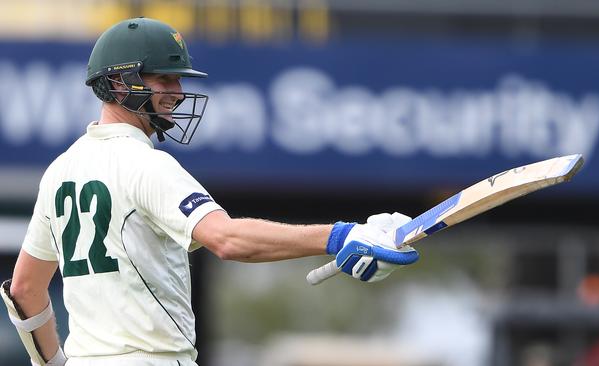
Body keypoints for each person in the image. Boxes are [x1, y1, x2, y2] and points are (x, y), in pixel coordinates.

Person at [1, 17, 419, 366]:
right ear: (119, 81)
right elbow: (227, 238)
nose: (178, 94)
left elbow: (24, 290)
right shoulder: (146, 164)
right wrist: (341, 236)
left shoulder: (59, 171)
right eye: (164, 79)